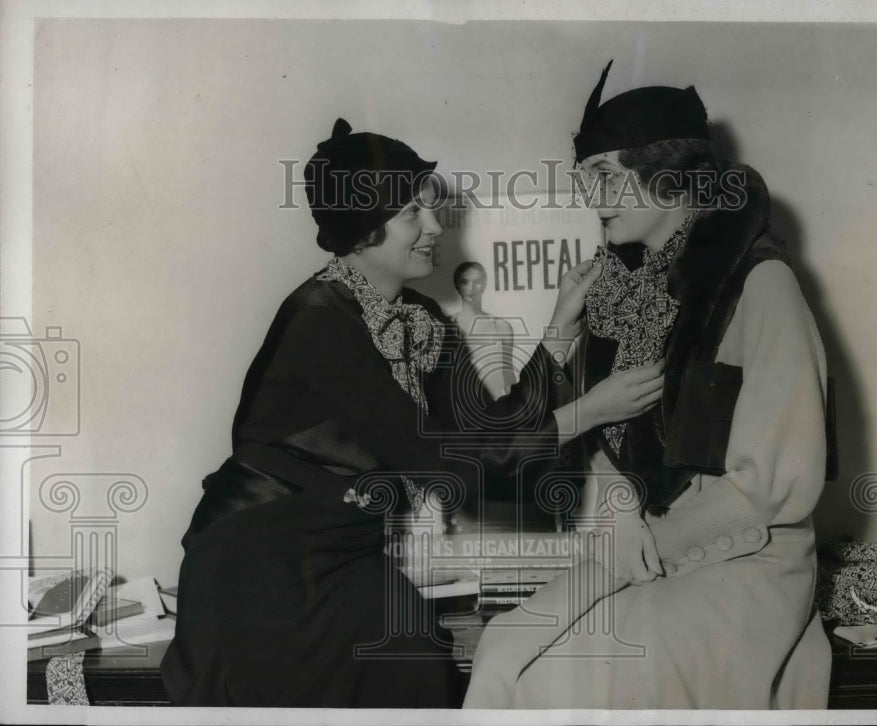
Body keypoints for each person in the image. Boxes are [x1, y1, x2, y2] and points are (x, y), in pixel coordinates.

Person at [159, 117, 665, 708]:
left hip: (345, 554)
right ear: (364, 226)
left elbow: (486, 431)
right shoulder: (320, 321)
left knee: (417, 658)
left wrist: (558, 329)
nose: (434, 229)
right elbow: (447, 467)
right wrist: (588, 412)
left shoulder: (417, 315)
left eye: (432, 210)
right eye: (412, 215)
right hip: (260, 564)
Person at [464, 61, 833, 709]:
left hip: (746, 556)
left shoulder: (762, 286)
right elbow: (588, 439)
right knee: (502, 649)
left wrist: (636, 544)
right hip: (636, 541)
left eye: (603, 177)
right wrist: (613, 502)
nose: (590, 198)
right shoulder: (619, 291)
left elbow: (775, 486)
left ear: (668, 179)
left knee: (573, 676)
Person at [450, 261, 515, 401]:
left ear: (484, 284)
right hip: (460, 407)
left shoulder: (501, 327)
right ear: (457, 285)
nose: (471, 288)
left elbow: (508, 374)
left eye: (477, 282)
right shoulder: (446, 326)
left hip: (495, 408)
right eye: (464, 282)